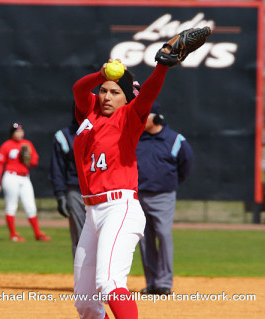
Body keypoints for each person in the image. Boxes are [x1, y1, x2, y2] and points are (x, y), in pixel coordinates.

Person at [71, 27, 211, 319]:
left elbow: (147, 92)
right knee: (85, 302)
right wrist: (102, 75)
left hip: (118, 208)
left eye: (115, 92)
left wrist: (161, 66)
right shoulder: (89, 115)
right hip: (91, 213)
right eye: (105, 91)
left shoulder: (130, 117)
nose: (107, 96)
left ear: (127, 99)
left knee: (109, 283)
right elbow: (79, 89)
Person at [136, 101, 194, 296]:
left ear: (157, 118)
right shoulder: (136, 138)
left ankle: (164, 283)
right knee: (144, 239)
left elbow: (185, 165)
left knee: (163, 234)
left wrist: (170, 183)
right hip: (138, 195)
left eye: (146, 116)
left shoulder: (176, 140)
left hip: (163, 195)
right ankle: (152, 283)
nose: (141, 120)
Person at [0, 122, 51, 242]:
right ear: (12, 133)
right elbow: (0, 165)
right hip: (11, 177)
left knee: (30, 206)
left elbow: (35, 162)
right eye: (16, 131)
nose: (19, 133)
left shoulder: (27, 144)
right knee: (11, 206)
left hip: (25, 178)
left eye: (21, 131)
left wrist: (28, 159)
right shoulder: (6, 146)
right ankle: (13, 234)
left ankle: (38, 234)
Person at [48, 108, 86, 257]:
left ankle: (102, 279)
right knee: (80, 237)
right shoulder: (63, 136)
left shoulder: (101, 131)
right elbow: (57, 168)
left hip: (100, 190)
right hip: (75, 190)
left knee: (103, 237)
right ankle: (82, 279)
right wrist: (60, 195)